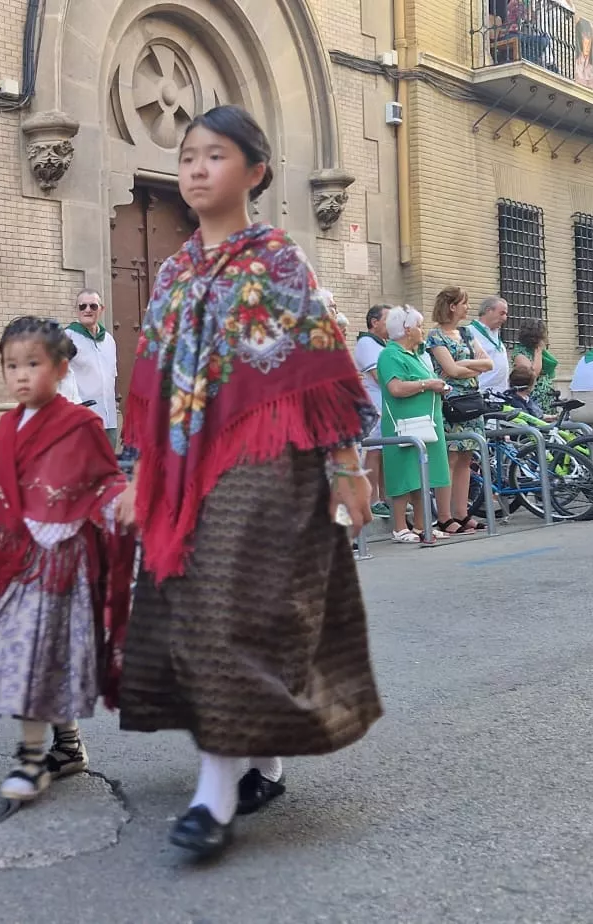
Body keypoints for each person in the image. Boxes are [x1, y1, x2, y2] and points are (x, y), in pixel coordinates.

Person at [115, 105, 381, 861]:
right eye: (188, 156)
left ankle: (213, 794)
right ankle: (256, 762)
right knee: (200, 606)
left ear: (255, 172)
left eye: (216, 155)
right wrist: (139, 473)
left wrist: (346, 467)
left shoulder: (279, 262)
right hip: (183, 463)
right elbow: (154, 378)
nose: (196, 168)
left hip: (270, 462)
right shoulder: (172, 271)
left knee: (230, 607)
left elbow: (323, 367)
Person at [0, 316, 131, 802]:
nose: (19, 375)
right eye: (10, 365)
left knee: (40, 656)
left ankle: (34, 760)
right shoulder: (9, 424)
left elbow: (105, 483)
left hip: (63, 563)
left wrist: (124, 510)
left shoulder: (82, 424)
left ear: (59, 369)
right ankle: (63, 746)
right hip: (18, 562)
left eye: (31, 364)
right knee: (30, 653)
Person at [375, 305, 448, 544]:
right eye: (418, 325)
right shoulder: (390, 354)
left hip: (426, 424)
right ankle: (399, 527)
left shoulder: (417, 354)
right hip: (404, 426)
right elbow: (396, 388)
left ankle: (421, 524)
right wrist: (428, 384)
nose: (422, 330)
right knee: (403, 475)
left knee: (421, 475)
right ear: (407, 329)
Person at [426, 286, 496, 534]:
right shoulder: (435, 336)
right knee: (451, 458)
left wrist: (465, 364)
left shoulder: (467, 333)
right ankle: (444, 516)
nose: (468, 307)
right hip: (451, 402)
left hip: (471, 398)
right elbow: (450, 371)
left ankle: (462, 513)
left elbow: (488, 363)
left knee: (467, 458)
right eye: (464, 303)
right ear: (452, 306)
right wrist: (469, 368)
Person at [62, 289, 119, 446]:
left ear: (102, 309)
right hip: (82, 420)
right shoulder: (67, 337)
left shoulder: (109, 340)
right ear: (76, 310)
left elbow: (112, 376)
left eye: (93, 306)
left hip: (109, 421)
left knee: (107, 468)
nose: (87, 310)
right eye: (82, 306)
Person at [353, 305, 391, 509]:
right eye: (388, 319)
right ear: (374, 322)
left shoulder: (382, 344)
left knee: (384, 452)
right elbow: (379, 377)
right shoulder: (367, 343)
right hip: (373, 405)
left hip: (384, 404)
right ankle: (372, 499)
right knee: (374, 451)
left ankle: (386, 497)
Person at [464, 295, 511, 396]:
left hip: (501, 395)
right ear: (488, 310)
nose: (505, 318)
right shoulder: (469, 332)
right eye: (502, 313)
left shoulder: (495, 333)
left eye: (506, 314)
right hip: (482, 394)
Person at [509, 316, 558, 411]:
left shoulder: (543, 353)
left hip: (547, 399)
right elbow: (533, 373)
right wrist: (538, 351)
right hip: (533, 399)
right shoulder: (521, 353)